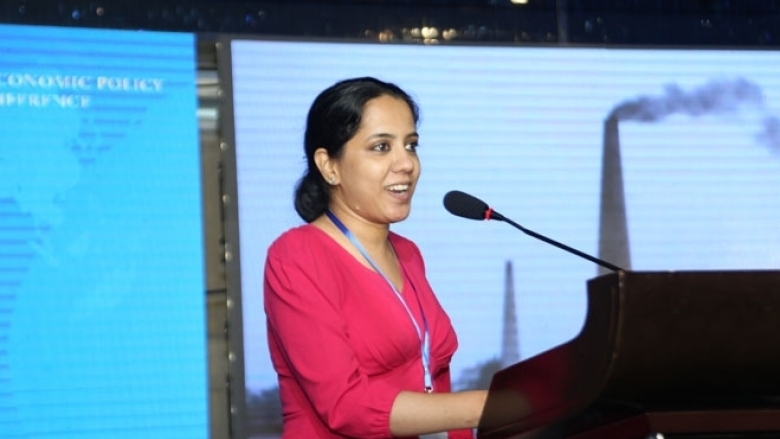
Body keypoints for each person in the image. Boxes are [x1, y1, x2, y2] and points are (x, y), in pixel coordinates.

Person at [263, 77, 487, 439]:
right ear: (329, 166)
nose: (406, 164)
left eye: (410, 145)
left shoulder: (408, 253)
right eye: (382, 147)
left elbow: (434, 382)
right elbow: (346, 406)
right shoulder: (296, 257)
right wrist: (489, 405)